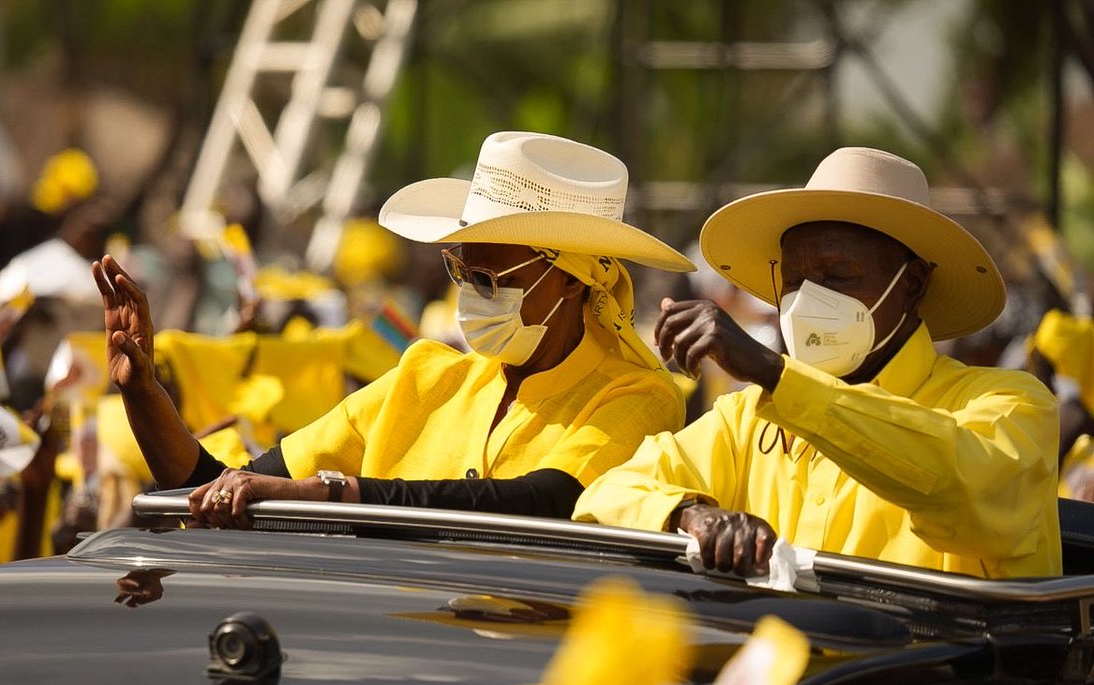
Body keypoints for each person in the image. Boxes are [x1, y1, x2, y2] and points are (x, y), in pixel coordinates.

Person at [94, 131, 691, 526]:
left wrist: (333, 494)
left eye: (490, 278)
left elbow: (546, 500)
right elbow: (209, 489)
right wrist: (143, 392)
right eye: (460, 270)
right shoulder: (425, 375)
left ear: (569, 279)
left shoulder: (637, 395)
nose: (469, 290)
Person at [575, 146, 1060, 579]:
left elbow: (965, 488)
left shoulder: (1010, 402)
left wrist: (775, 374)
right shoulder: (745, 419)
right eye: (795, 279)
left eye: (838, 276)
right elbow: (608, 495)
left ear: (913, 284)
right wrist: (694, 515)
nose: (808, 300)